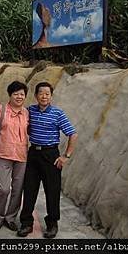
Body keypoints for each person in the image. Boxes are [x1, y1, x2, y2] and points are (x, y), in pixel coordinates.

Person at [16, 81, 78, 238]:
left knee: (52, 190)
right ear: (36, 95)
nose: (44, 96)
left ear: (51, 96)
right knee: (29, 189)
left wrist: (65, 156)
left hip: (51, 155)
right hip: (33, 154)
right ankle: (26, 223)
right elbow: (15, 112)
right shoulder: (30, 111)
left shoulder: (58, 113)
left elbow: (73, 134)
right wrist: (0, 109)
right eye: (41, 93)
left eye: (47, 93)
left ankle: (52, 224)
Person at [0, 81, 29, 232]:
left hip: (21, 157)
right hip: (3, 155)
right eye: (16, 94)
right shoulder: (1, 110)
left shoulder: (27, 113)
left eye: (22, 94)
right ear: (10, 95)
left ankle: (10, 218)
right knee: (4, 189)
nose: (19, 97)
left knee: (18, 190)